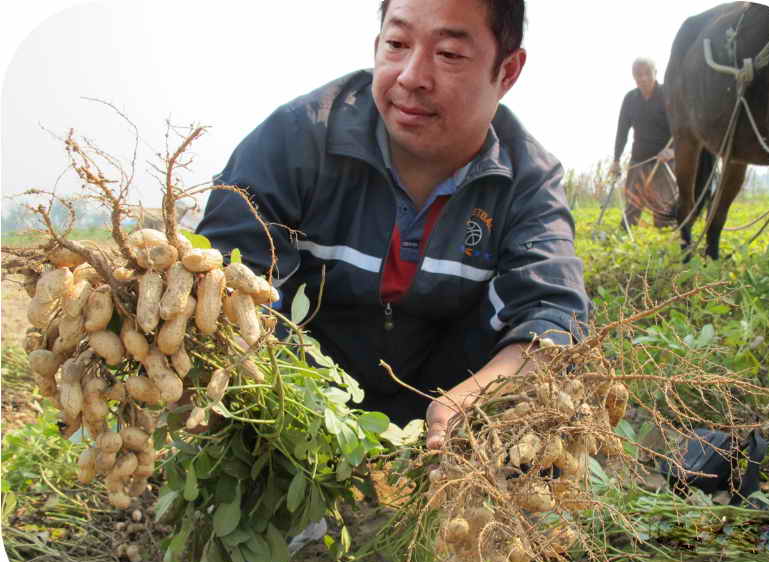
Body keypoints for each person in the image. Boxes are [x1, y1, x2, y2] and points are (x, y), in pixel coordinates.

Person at [197, 0, 590, 450]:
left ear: (508, 72)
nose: (410, 76)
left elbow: (557, 318)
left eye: (449, 54)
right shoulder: (296, 138)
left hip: (442, 425)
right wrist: (297, 409)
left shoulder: (527, 180)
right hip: (297, 407)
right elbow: (223, 275)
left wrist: (480, 398)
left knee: (544, 415)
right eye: (397, 44)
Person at [610, 57, 676, 230]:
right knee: (632, 206)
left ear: (656, 73)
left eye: (647, 73)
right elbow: (622, 131)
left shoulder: (667, 94)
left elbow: (681, 129)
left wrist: (672, 151)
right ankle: (622, 238)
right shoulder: (630, 99)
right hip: (639, 160)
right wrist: (616, 160)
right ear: (633, 77)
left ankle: (664, 244)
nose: (643, 78)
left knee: (663, 210)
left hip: (665, 162)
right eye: (638, 74)